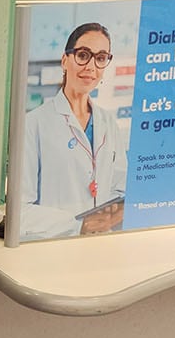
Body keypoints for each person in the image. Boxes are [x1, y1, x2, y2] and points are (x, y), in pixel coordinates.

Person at [17, 22, 127, 239]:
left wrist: (113, 214)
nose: (91, 66)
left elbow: (120, 189)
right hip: (50, 247)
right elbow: (19, 211)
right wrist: (78, 224)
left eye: (101, 57)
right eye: (83, 55)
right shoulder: (34, 124)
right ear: (65, 60)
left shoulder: (108, 122)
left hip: (100, 244)